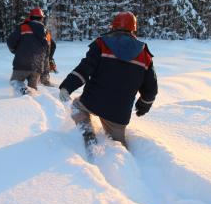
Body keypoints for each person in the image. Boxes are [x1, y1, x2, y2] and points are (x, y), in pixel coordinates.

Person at [58, 11, 157, 148]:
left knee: (76, 105)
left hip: (93, 101)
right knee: (118, 144)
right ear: (133, 29)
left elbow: (84, 69)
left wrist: (67, 87)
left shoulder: (101, 44)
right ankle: (122, 158)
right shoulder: (145, 55)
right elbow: (151, 89)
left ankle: (87, 132)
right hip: (119, 112)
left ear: (113, 26)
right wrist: (143, 106)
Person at [6, 7, 49, 94]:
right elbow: (47, 50)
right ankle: (32, 100)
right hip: (37, 67)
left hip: (21, 64)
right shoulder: (45, 31)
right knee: (32, 91)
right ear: (41, 18)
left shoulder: (23, 27)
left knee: (15, 83)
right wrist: (44, 70)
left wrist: (15, 51)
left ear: (30, 16)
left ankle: (22, 91)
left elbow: (10, 42)